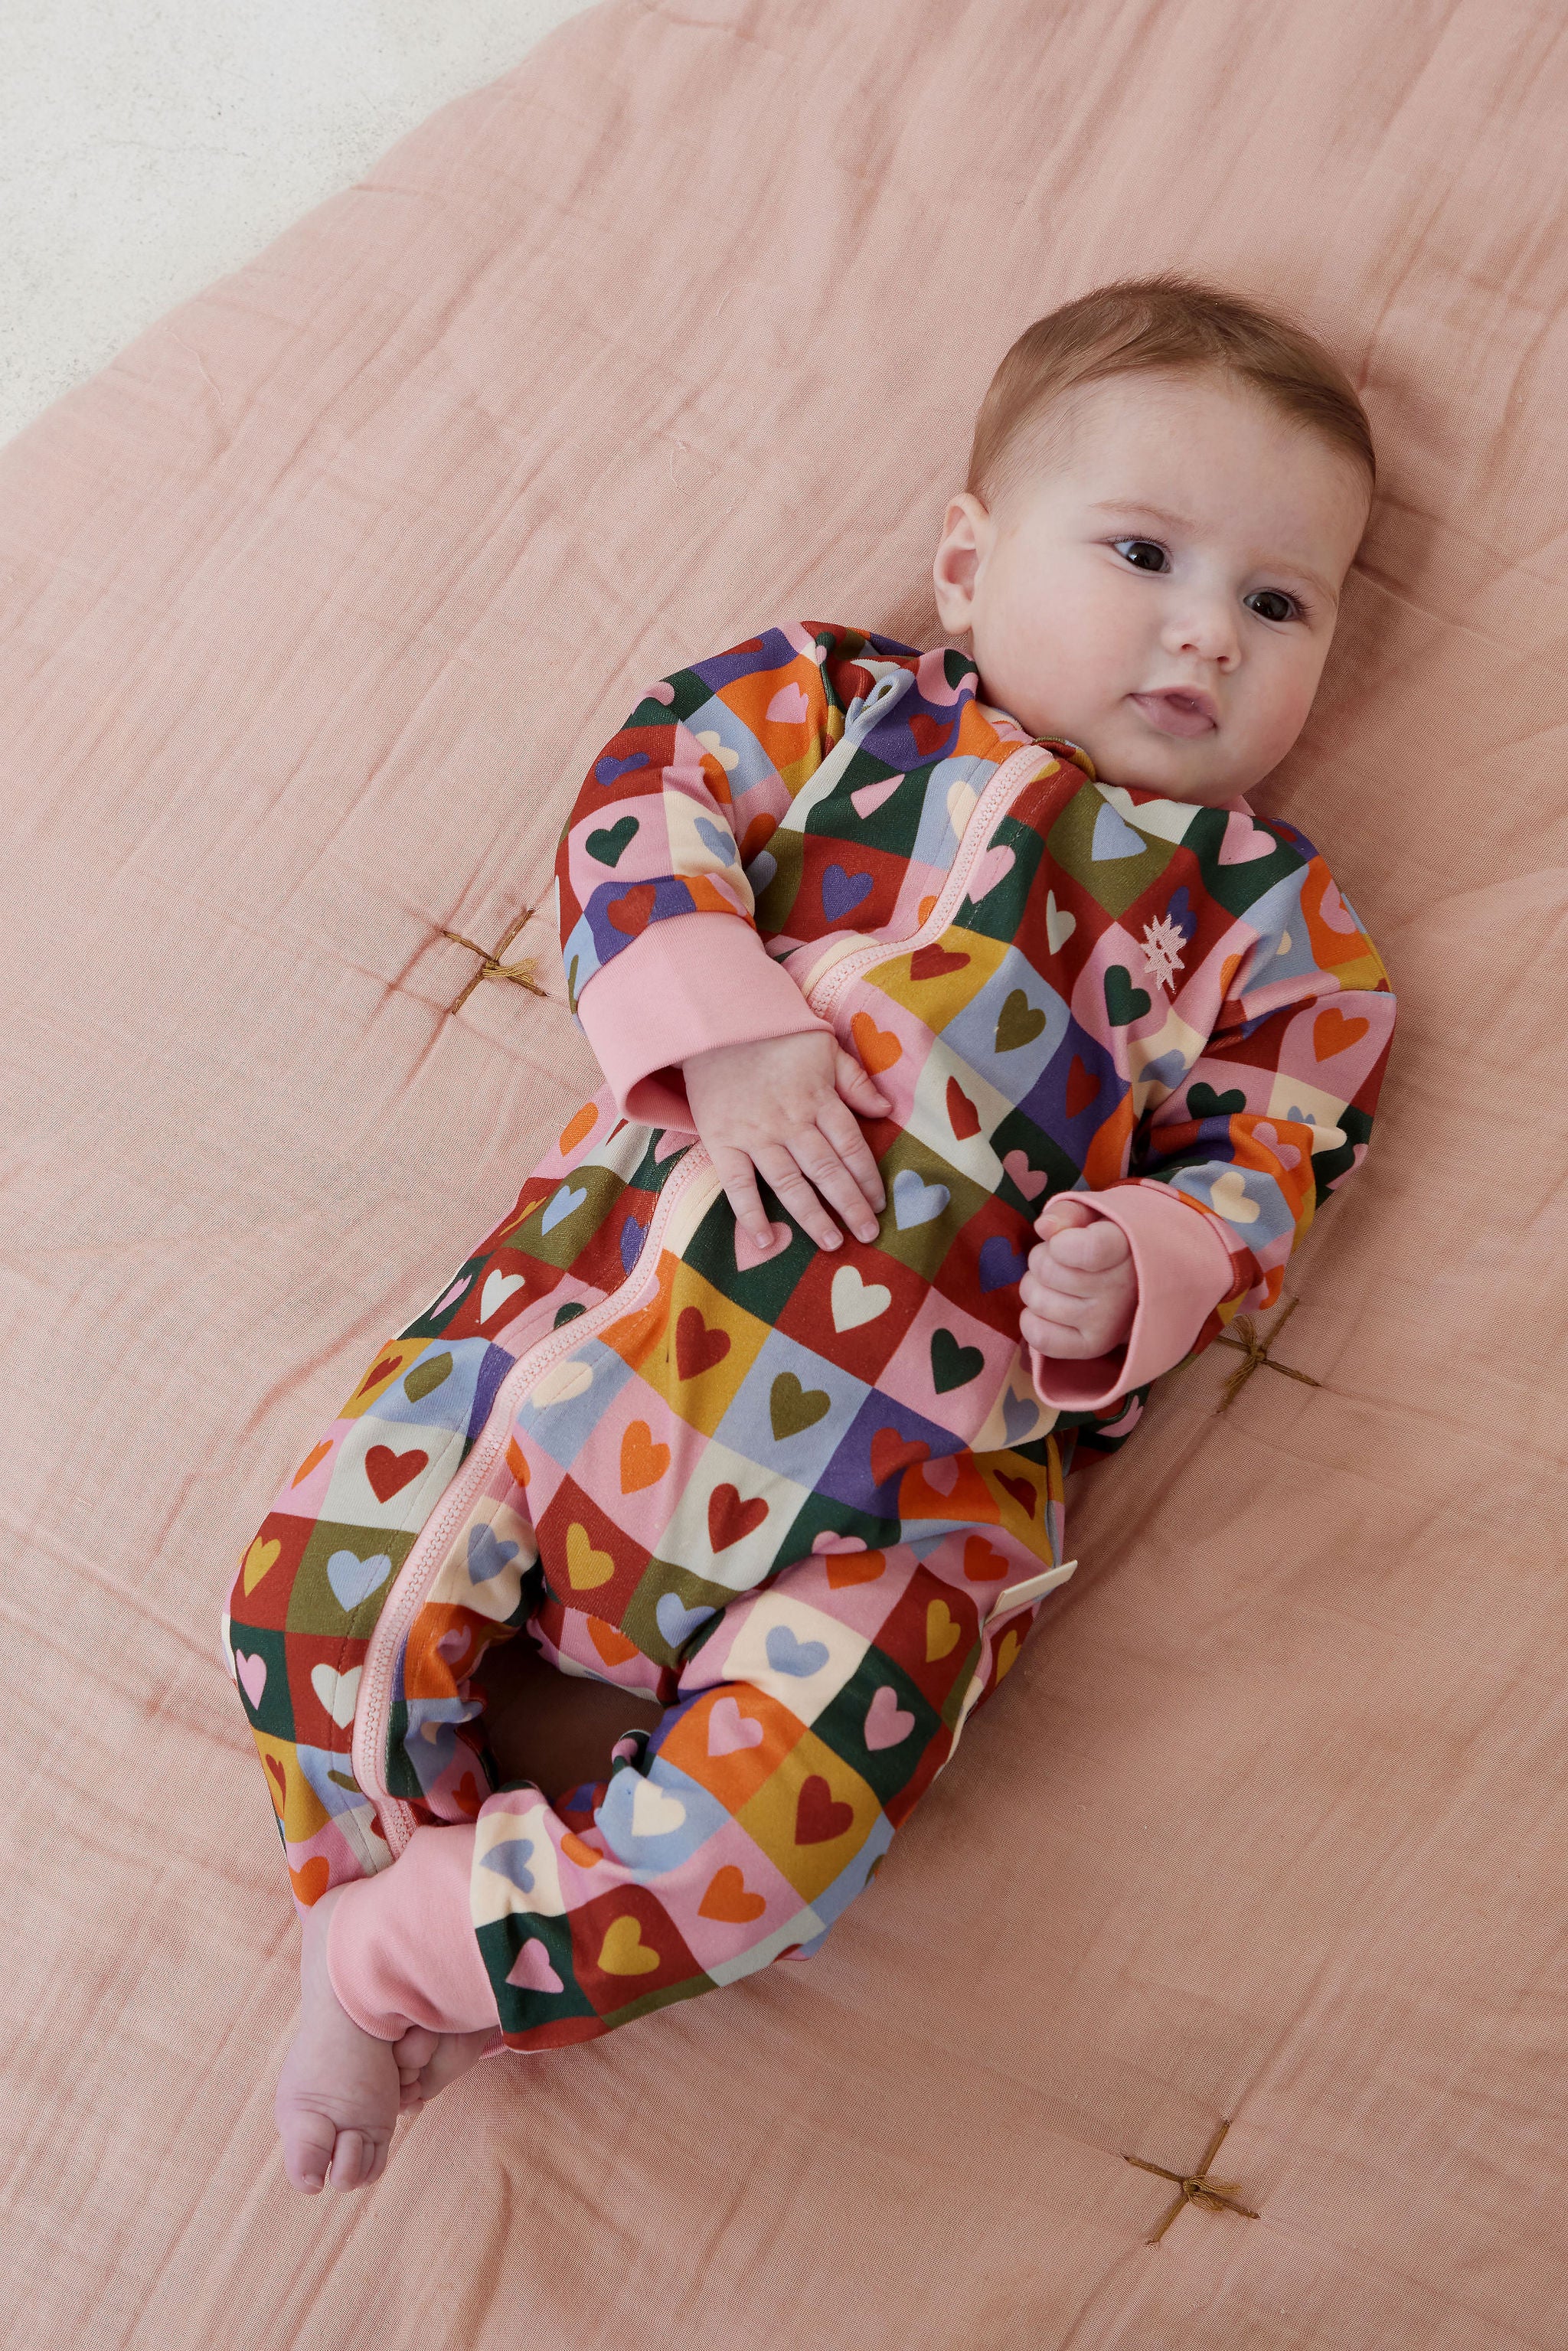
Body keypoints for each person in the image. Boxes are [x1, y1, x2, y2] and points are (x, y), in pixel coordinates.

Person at [226, 274, 1396, 2193]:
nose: (1207, 628)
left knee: (777, 1852)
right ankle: (377, 1885)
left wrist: (1150, 1259)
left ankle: (404, 1956)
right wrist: (729, 1021)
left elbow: (1282, 1148)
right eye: (1143, 555)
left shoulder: (1275, 929)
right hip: (574, 1345)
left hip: (903, 1499)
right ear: (966, 562)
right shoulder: (841, 711)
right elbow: (641, 804)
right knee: (302, 1596)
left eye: (1281, 603)